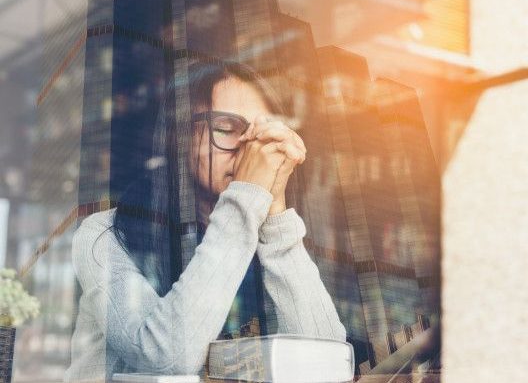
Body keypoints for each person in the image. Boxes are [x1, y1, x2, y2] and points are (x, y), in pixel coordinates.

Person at [64, 63, 346, 382]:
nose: (251, 151)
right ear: (179, 136)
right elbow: (166, 359)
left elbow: (328, 364)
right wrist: (245, 197)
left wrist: (275, 216)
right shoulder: (103, 234)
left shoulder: (256, 237)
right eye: (226, 128)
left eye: (263, 136)